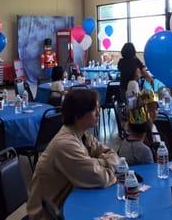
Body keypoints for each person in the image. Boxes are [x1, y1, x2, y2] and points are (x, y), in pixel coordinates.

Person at [26, 89, 118, 219]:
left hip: (67, 201)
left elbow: (111, 152)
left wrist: (100, 163)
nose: (98, 113)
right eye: (93, 109)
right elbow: (100, 178)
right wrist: (105, 164)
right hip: (48, 214)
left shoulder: (82, 134)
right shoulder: (65, 144)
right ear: (77, 115)